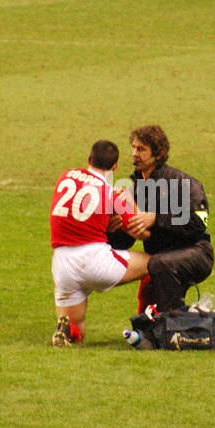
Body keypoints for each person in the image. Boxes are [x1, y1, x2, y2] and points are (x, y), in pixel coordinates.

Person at [107, 126, 213, 316]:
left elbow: (199, 221)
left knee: (158, 264)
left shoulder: (182, 183)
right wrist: (116, 229)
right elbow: (126, 242)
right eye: (133, 148)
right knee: (145, 319)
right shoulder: (136, 190)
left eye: (141, 149)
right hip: (160, 260)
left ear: (158, 154)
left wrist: (155, 218)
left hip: (196, 253)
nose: (134, 154)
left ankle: (174, 323)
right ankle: (187, 320)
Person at [50, 141, 146, 347]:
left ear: (89, 160)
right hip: (95, 259)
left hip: (62, 264)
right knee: (155, 263)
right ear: (115, 167)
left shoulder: (65, 176)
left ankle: (67, 330)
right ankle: (148, 324)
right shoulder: (111, 193)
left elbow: (75, 217)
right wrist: (132, 203)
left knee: (78, 330)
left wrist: (104, 226)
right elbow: (140, 231)